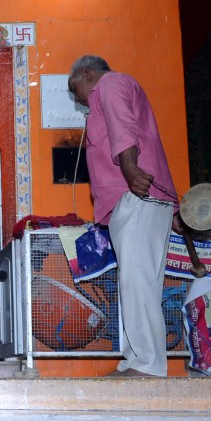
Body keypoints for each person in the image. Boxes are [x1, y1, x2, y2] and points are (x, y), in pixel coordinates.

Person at [68, 55, 184, 377]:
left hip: (135, 196)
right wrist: (173, 207)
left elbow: (123, 129)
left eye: (75, 90)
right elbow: (152, 144)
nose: (78, 99)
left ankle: (147, 364)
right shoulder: (119, 87)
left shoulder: (110, 84)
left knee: (138, 282)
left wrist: (131, 170)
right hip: (146, 198)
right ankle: (136, 359)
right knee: (139, 282)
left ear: (87, 73)